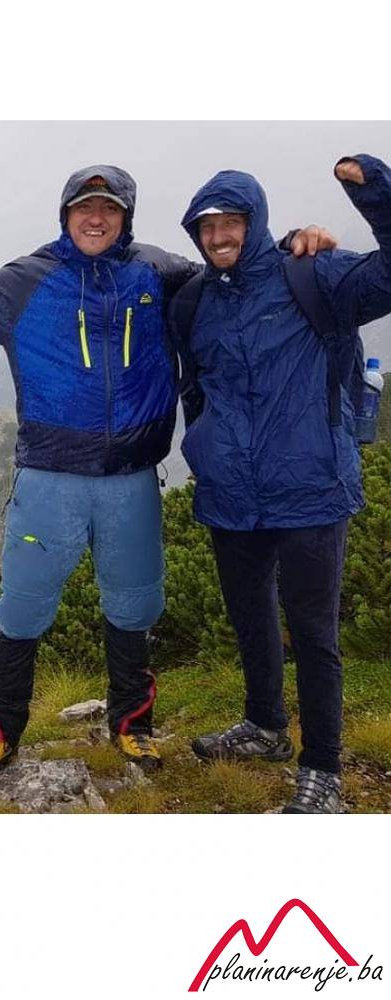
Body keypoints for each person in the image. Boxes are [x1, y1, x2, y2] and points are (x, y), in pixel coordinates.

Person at [0, 168, 329, 781]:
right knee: (22, 608)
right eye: (84, 207)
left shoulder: (158, 271)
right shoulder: (27, 281)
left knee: (134, 605)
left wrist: (293, 242)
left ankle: (132, 727)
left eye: (109, 209)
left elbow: (231, 271)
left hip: (131, 478)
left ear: (125, 218)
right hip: (48, 480)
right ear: (66, 215)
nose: (96, 218)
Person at [174, 154, 391, 813]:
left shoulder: (313, 274)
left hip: (310, 487)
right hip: (231, 494)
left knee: (314, 634)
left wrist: (374, 192)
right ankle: (264, 727)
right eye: (207, 227)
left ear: (256, 222)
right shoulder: (196, 302)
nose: (218, 236)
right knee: (251, 618)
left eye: (230, 223)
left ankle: (322, 769)